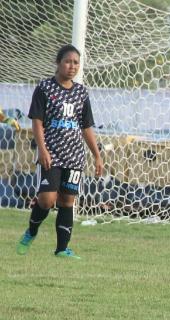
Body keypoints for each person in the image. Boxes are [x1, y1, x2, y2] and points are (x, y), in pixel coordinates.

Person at [16, 44, 103, 258]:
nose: (72, 66)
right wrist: (42, 150)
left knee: (67, 202)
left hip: (74, 157)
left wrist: (97, 156)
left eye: (76, 62)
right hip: (51, 154)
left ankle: (62, 249)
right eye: (68, 61)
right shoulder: (45, 88)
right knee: (46, 200)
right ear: (58, 63)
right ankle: (32, 231)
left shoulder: (81, 93)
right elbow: (37, 123)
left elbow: (86, 127)